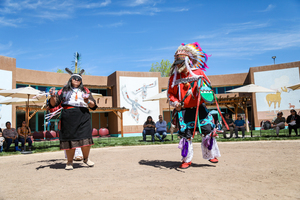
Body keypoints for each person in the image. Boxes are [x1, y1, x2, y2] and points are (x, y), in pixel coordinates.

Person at [168, 42, 222, 169]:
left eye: (180, 62)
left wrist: (202, 88)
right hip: (184, 111)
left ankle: (210, 154)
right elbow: (171, 94)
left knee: (208, 130)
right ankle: (187, 159)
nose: (178, 65)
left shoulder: (199, 73)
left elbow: (209, 90)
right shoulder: (174, 78)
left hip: (200, 109)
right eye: (176, 62)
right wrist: (175, 103)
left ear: (188, 61)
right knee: (186, 135)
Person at [49, 68, 98, 170]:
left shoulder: (85, 90)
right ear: (70, 79)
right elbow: (54, 103)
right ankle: (69, 162)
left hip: (83, 115)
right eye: (74, 78)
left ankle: (86, 159)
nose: (76, 80)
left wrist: (87, 100)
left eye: (78, 79)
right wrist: (53, 96)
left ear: (81, 81)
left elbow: (93, 105)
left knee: (86, 137)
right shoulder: (64, 90)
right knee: (69, 139)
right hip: (68, 115)